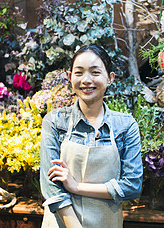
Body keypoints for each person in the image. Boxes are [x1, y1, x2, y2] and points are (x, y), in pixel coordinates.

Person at [40, 44, 143, 228]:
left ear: (110, 78)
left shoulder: (125, 126)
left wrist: (75, 187)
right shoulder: (55, 122)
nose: (86, 80)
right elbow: (51, 188)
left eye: (95, 72)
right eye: (79, 73)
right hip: (62, 223)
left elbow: (132, 187)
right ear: (70, 77)